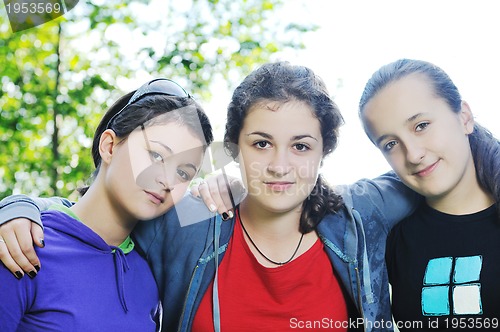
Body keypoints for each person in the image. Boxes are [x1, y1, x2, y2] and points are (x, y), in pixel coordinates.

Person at [0, 62, 421, 331]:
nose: (279, 165)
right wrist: (18, 206)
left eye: (301, 146)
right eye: (260, 144)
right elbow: (88, 221)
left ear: (324, 151)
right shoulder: (188, 222)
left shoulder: (357, 216)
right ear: (234, 151)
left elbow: (441, 165)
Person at [0, 77, 214, 331]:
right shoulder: (23, 246)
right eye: (156, 155)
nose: (167, 180)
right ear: (109, 146)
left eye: (183, 173)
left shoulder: (147, 277)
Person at [358, 58, 500, 330]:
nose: (413, 154)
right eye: (390, 144)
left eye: (421, 125)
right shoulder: (389, 240)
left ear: (464, 117)